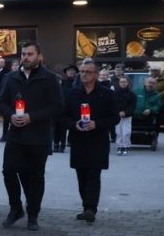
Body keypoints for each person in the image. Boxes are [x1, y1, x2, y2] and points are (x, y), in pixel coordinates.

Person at [0, 41, 63, 231]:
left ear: (39, 57)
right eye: (23, 54)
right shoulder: (11, 78)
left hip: (38, 136)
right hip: (15, 135)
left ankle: (33, 214)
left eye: (30, 54)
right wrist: (10, 116)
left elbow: (57, 106)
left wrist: (31, 117)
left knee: (36, 176)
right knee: (8, 171)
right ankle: (16, 208)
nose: (26, 57)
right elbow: (1, 102)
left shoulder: (49, 78)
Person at [63, 59, 118, 222]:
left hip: (98, 140)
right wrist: (74, 125)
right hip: (78, 140)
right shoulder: (71, 93)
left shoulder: (107, 93)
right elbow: (62, 117)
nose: (84, 74)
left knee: (94, 174)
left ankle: (90, 208)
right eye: (82, 71)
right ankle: (86, 205)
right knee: (81, 175)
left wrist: (97, 124)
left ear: (96, 74)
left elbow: (114, 117)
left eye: (88, 72)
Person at [53, 64, 78, 152]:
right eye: (69, 71)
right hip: (60, 108)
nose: (70, 72)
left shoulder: (78, 81)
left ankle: (68, 142)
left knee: (69, 126)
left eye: (72, 71)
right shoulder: (63, 83)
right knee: (58, 127)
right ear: (66, 73)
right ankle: (56, 144)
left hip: (72, 106)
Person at [112, 75, 137, 156]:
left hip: (127, 116)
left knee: (126, 132)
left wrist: (126, 113)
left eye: (124, 82)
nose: (123, 83)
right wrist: (118, 112)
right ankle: (119, 147)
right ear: (119, 83)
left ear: (128, 83)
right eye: (121, 82)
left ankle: (126, 147)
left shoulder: (132, 94)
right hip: (117, 116)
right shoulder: (115, 93)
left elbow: (133, 106)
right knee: (118, 132)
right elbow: (113, 105)